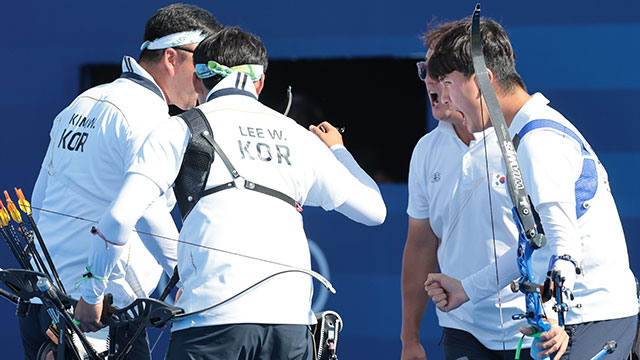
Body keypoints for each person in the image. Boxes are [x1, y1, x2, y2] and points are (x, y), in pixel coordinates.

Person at [75, 26, 386, 360]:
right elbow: (374, 212)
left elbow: (120, 217)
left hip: (209, 323)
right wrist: (339, 151)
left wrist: (91, 295)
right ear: (260, 83)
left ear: (198, 81)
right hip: (290, 325)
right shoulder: (299, 137)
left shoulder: (178, 128)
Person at [424, 17, 638, 359]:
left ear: (482, 80)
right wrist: (467, 289)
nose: (445, 96)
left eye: (449, 83)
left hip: (588, 319)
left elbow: (561, 243)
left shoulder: (538, 141)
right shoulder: (528, 133)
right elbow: (535, 241)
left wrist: (554, 315)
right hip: (586, 318)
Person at [23, 4, 221, 359]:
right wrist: (192, 278)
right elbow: (146, 211)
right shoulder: (146, 114)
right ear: (172, 58)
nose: (207, 80)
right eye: (202, 65)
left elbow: (43, 195)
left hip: (46, 303)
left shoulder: (84, 101)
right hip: (95, 317)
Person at [401, 21, 542, 360]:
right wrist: (410, 340)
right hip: (462, 329)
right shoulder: (426, 150)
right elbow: (421, 245)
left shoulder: (525, 139)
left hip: (531, 325)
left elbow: (551, 236)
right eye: (426, 71)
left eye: (442, 73)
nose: (432, 82)